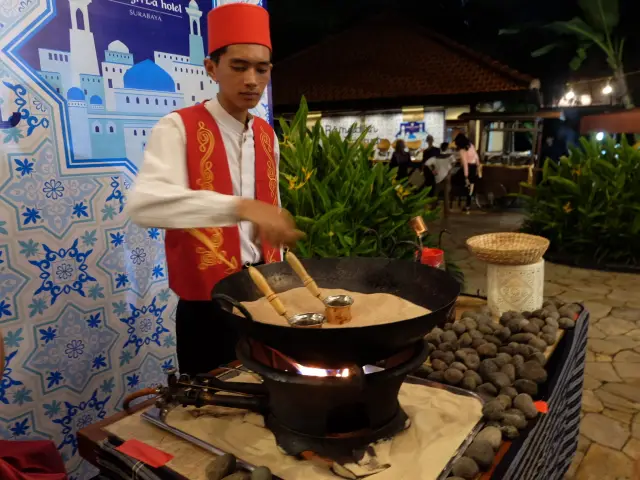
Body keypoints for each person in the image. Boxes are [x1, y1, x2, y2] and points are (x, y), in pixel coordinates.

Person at [126, 3, 302, 375]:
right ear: (212, 68)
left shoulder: (267, 135)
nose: (251, 80)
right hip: (209, 306)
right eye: (238, 67)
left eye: (262, 68)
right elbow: (144, 205)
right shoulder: (177, 127)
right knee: (213, 411)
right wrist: (240, 207)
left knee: (273, 397)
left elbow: (270, 207)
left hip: (268, 295)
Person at [454, 133, 479, 213]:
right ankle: (468, 204)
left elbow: (465, 164)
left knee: (456, 180)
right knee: (471, 185)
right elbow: (476, 156)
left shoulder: (462, 150)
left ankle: (460, 200)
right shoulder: (471, 145)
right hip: (474, 167)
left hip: (468, 168)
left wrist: (465, 176)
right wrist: (478, 165)